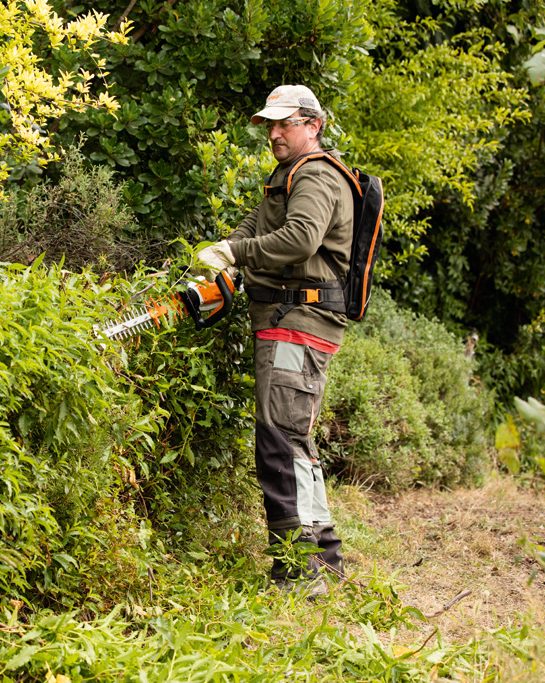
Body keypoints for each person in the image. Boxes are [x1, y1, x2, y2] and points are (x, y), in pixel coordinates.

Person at [195, 84, 352, 596]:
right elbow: (256, 230)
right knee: (292, 441)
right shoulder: (286, 177)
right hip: (286, 319)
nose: (275, 132)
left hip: (299, 321)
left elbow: (301, 239)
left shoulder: (318, 175)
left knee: (280, 442)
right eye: (271, 124)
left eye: (286, 123)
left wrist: (237, 256)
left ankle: (300, 572)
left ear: (313, 124)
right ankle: (320, 560)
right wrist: (225, 252)